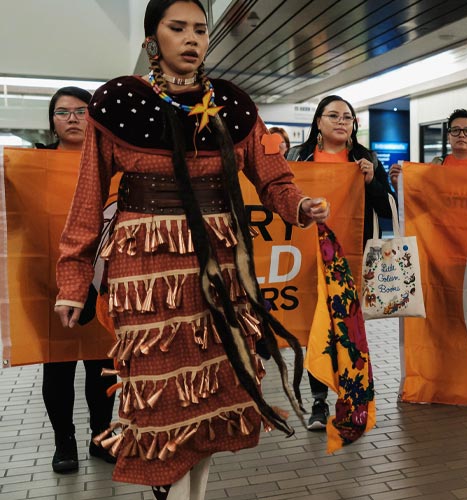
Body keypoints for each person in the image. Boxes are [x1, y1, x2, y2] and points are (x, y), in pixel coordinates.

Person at [53, 1, 329, 498]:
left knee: (209, 395)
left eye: (200, 29)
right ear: (150, 39)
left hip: (219, 269)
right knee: (164, 398)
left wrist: (300, 205)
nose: (191, 39)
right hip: (147, 272)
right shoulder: (118, 101)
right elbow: (88, 198)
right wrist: (73, 282)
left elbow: (273, 177)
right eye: (177, 28)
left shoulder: (233, 104)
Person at [286, 95, 393, 431]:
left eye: (347, 116)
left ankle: (347, 400)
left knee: (345, 331)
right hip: (305, 256)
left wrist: (371, 181)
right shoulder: (298, 157)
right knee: (316, 328)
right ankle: (318, 401)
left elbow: (387, 207)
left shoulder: (364, 158)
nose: (341, 121)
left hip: (348, 260)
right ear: (318, 121)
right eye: (333, 115)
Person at [35, 86, 118, 474]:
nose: (72, 118)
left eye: (81, 111)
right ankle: (63, 442)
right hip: (51, 282)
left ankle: (101, 436)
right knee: (58, 365)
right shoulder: (31, 164)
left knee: (102, 364)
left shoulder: (114, 166)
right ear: (51, 121)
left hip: (104, 283)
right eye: (62, 112)